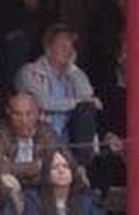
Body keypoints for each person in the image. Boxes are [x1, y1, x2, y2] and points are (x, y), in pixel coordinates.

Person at [16, 24, 100, 152]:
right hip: (41, 140)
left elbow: (88, 97)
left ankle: (81, 163)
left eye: (71, 46)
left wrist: (72, 69)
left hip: (69, 141)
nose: (69, 51)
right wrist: (77, 102)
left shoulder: (74, 73)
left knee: (86, 110)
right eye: (62, 46)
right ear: (48, 49)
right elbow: (44, 103)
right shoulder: (29, 71)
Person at [24, 147, 119, 215]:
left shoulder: (84, 200)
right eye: (55, 167)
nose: (61, 171)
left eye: (66, 166)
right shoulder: (33, 199)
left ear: (72, 172)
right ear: (46, 173)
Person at [0, 89, 59, 193]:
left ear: (38, 113)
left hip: (41, 184)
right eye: (17, 114)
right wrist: (34, 167)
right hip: (11, 185)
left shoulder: (47, 131)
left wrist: (14, 167)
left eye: (29, 114)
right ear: (8, 112)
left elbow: (53, 163)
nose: (24, 120)